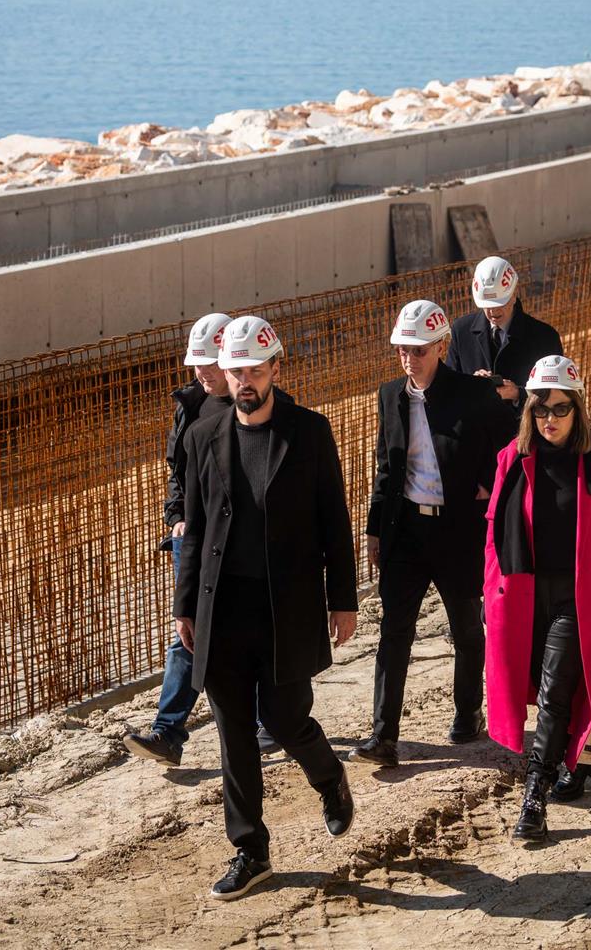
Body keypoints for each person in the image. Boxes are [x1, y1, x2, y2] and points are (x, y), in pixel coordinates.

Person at [175, 315, 359, 901]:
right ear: (223, 374)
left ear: (277, 367)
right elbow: (196, 531)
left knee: (283, 719)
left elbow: (336, 520)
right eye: (236, 371)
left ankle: (329, 778)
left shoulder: (309, 431)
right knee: (233, 731)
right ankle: (250, 849)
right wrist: (185, 607)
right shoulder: (204, 437)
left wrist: (344, 599)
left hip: (287, 607)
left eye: (255, 369)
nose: (246, 381)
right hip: (223, 608)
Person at [351, 299, 513, 768]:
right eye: (403, 349)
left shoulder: (472, 394)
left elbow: (511, 446)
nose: (409, 358)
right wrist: (376, 530)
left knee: (465, 627)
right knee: (394, 633)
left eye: (419, 349)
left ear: (441, 346)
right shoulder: (389, 397)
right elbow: (387, 467)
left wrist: (488, 484)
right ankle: (383, 736)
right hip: (406, 533)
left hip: (458, 530)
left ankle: (467, 715)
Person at [484, 355, 591, 840]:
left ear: (578, 410)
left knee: (553, 692)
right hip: (523, 596)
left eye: (559, 408)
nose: (548, 418)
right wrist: (488, 593)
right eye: (539, 409)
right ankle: (582, 755)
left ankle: (534, 797)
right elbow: (493, 530)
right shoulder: (512, 459)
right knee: (538, 682)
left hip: (580, 598)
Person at [123, 312, 233, 766]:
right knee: (189, 630)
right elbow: (178, 472)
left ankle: (272, 723)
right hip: (191, 540)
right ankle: (167, 733)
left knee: (250, 626)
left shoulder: (255, 406)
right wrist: (176, 516)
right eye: (196, 364)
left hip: (237, 539)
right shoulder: (190, 405)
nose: (201, 372)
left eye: (209, 362)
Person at [447, 256, 563, 420]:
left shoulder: (544, 338)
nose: (493, 312)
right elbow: (448, 385)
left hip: (521, 436)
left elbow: (557, 395)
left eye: (499, 303)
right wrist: (470, 384)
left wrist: (518, 394)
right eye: (487, 305)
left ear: (514, 294)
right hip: (476, 435)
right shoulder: (461, 331)